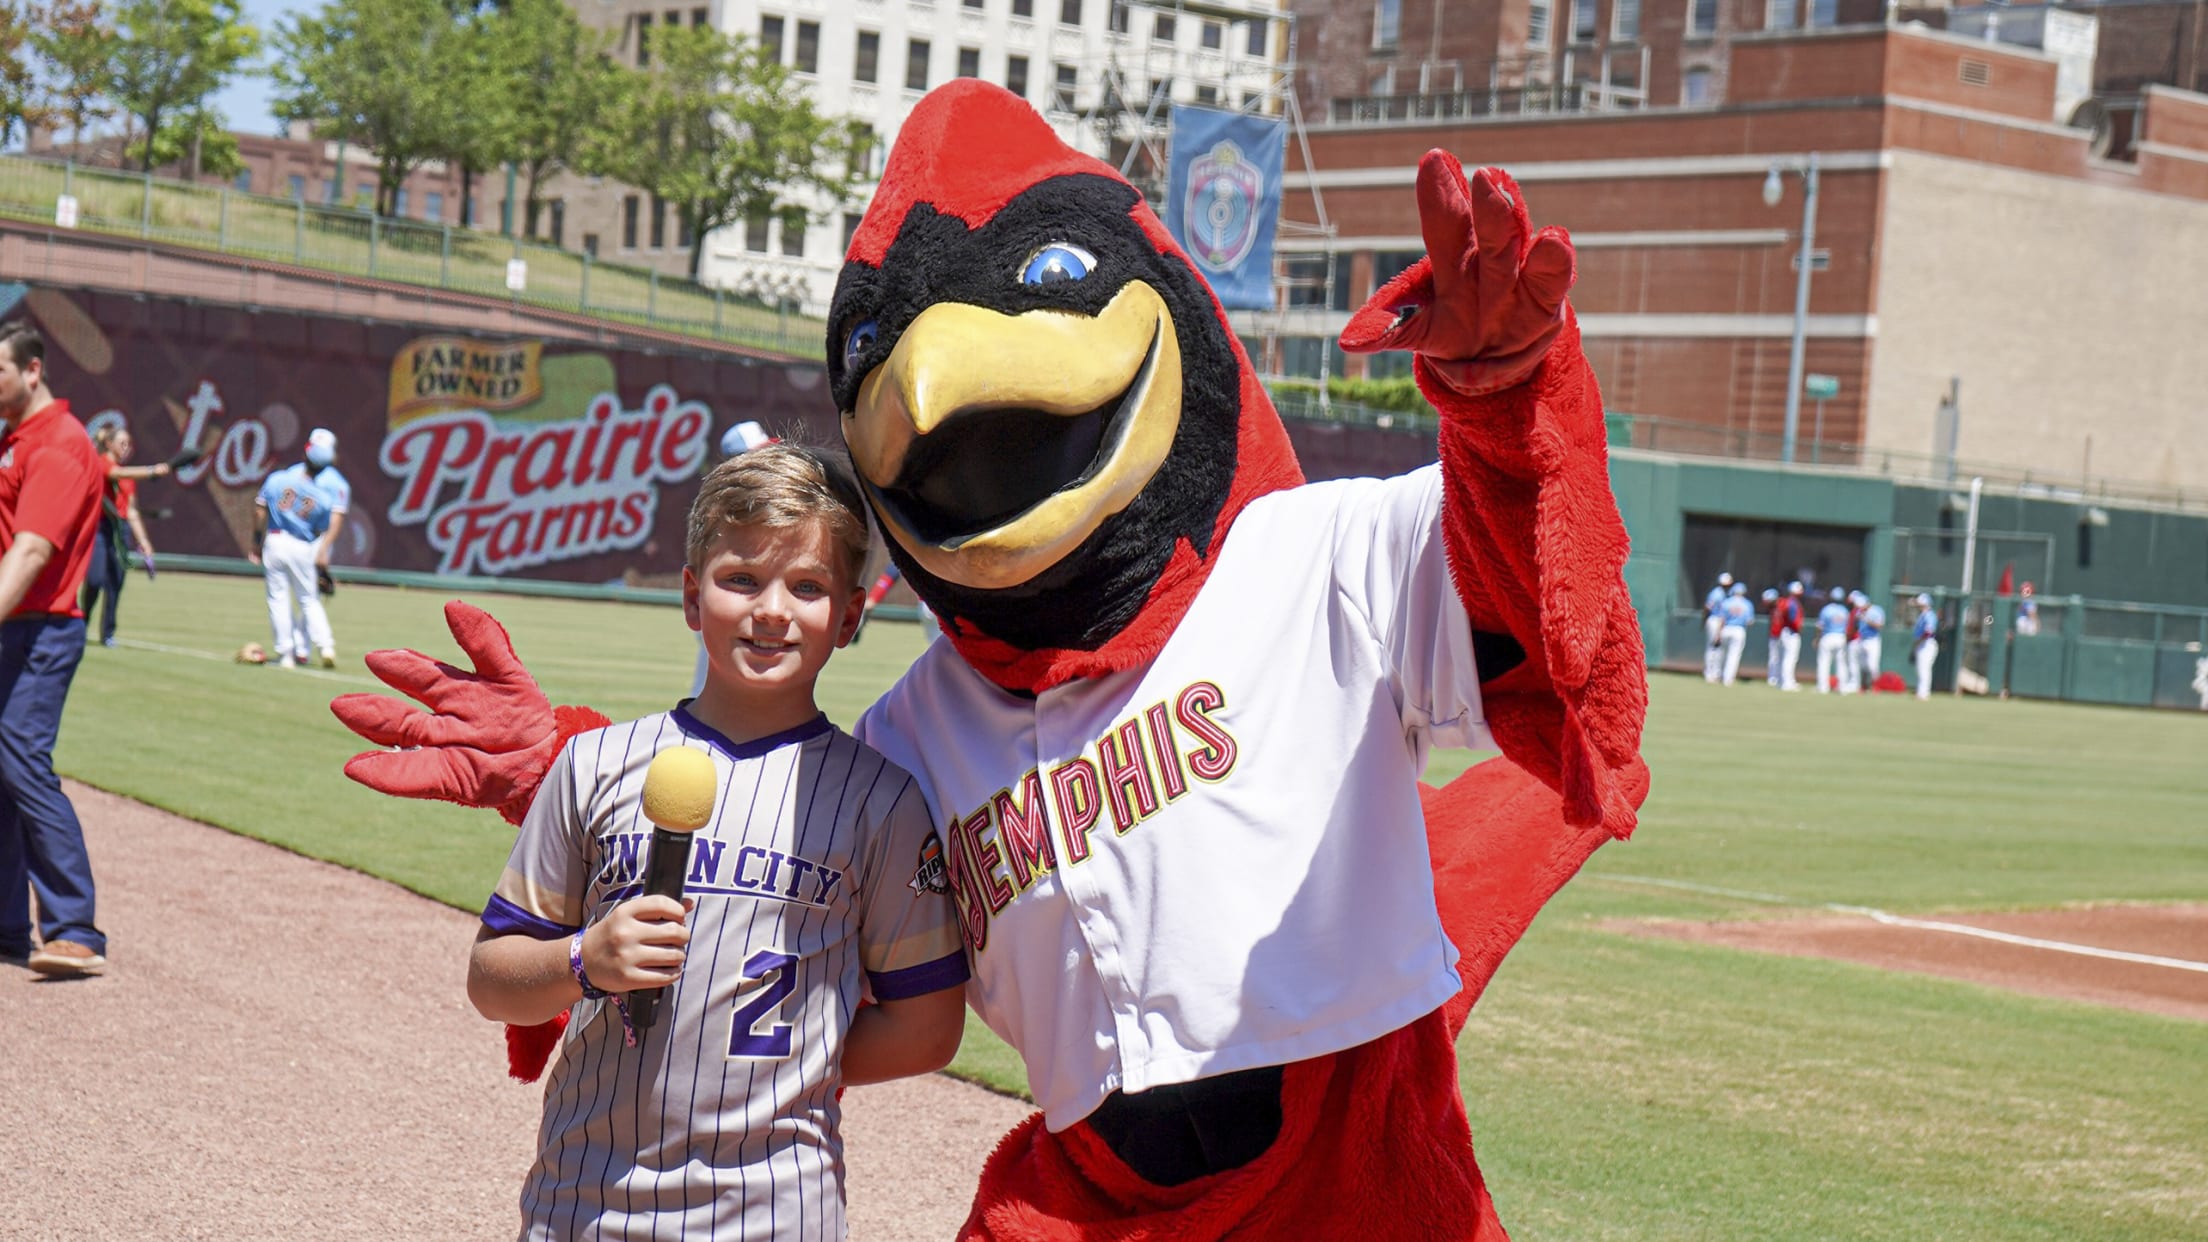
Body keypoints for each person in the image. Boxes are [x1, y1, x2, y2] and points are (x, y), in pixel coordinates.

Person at [466, 443, 969, 1238]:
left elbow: (928, 1028)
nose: (772, 609)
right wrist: (583, 960)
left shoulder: (881, 802)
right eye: (742, 580)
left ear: (848, 618)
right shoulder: (596, 764)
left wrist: (791, 1070)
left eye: (807, 587)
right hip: (584, 1201)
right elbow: (493, 978)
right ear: (693, 598)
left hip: (775, 1210)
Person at [0, 323, 111, 976]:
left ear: (33, 370)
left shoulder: (60, 446)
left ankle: (75, 929)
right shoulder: (16, 442)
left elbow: (33, 550)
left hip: (40, 630)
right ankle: (9, 925)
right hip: (16, 626)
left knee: (20, 761)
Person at [252, 439, 341, 669]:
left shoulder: (278, 478)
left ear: (305, 456)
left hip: (276, 539)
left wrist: (256, 542)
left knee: (278, 599)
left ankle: (286, 655)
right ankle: (326, 646)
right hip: (302, 545)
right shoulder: (324, 497)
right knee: (309, 599)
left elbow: (260, 510)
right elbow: (321, 529)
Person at [79, 427, 170, 648]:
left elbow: (131, 511)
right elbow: (115, 475)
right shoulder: (102, 463)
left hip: (120, 530)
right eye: (122, 443)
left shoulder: (128, 479)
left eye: (128, 443)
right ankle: (81, 625)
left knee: (116, 582)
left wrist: (144, 541)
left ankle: (108, 633)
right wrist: (152, 471)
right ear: (109, 444)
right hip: (100, 527)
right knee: (94, 579)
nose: (126, 447)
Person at [302, 429, 351, 607]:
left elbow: (336, 518)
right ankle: (318, 636)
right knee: (308, 598)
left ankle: (298, 635)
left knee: (286, 597)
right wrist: (324, 549)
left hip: (305, 539)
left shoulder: (292, 473)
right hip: (307, 540)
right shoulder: (337, 483)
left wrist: (323, 548)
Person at [1815, 586, 1851, 694]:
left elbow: (1820, 626)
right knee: (1841, 663)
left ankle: (1822, 687)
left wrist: (1817, 638)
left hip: (1828, 636)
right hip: (1841, 637)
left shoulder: (1826, 609)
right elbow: (1848, 627)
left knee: (1824, 662)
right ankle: (1842, 687)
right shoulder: (1845, 611)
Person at [1716, 581, 1752, 685]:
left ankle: (1719, 675)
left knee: (1721, 654)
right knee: (1733, 656)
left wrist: (1718, 633)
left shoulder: (1727, 602)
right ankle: (1728, 679)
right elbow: (1749, 621)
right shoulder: (1747, 604)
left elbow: (1721, 619)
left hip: (1726, 628)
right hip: (1738, 630)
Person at [1702, 571, 1733, 682]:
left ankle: (1715, 672)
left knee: (1718, 647)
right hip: (1714, 619)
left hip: (1720, 621)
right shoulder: (1716, 593)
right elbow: (1707, 607)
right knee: (1712, 646)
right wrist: (1704, 620)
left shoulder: (1726, 594)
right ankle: (1709, 673)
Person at [1775, 581, 1805, 691]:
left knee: (1786, 658)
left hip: (1786, 632)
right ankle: (1787, 682)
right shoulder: (1792, 603)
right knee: (1790, 658)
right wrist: (1798, 627)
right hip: (1791, 632)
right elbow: (1793, 620)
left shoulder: (1786, 601)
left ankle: (1785, 681)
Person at [1912, 593, 1940, 699]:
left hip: (1927, 643)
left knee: (1924, 668)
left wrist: (1919, 640)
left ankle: (1924, 693)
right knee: (1920, 668)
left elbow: (1929, 632)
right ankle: (1920, 691)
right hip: (1922, 643)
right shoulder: (1922, 615)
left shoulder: (1929, 614)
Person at [1857, 595, 1886, 689]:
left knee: (1872, 665)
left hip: (1873, 639)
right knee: (1862, 664)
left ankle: (1876, 686)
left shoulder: (1876, 610)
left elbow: (1880, 625)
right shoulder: (1860, 611)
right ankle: (1864, 686)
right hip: (1862, 639)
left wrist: (1868, 621)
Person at [1842, 591, 1868, 695]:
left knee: (1853, 663)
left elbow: (1853, 627)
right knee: (1856, 663)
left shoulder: (1856, 612)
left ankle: (1854, 684)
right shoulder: (1860, 612)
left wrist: (1848, 636)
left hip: (1855, 640)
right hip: (1859, 640)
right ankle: (1855, 683)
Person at [1760, 588, 1781, 685]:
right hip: (1774, 635)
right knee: (1774, 657)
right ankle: (1772, 677)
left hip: (1783, 635)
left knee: (1783, 658)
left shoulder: (1782, 606)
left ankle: (1780, 677)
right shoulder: (1772, 609)